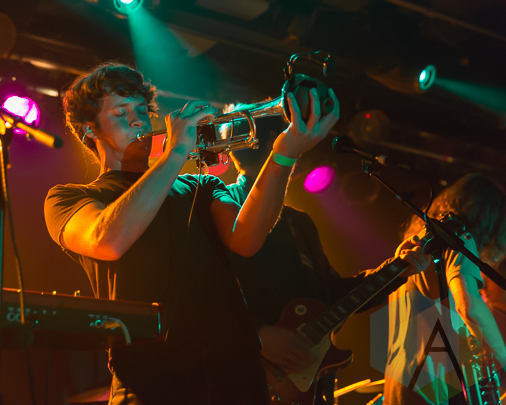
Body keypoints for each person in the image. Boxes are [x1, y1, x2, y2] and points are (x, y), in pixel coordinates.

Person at [43, 61, 341, 404]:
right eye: (121, 112)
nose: (139, 120)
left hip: (238, 376)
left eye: (142, 110)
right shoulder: (69, 198)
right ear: (90, 130)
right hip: (152, 381)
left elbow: (247, 240)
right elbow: (108, 240)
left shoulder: (199, 186)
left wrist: (284, 154)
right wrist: (175, 153)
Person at [220, 114, 433, 405]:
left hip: (307, 387)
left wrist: (398, 268)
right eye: (295, 134)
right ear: (274, 142)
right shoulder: (223, 207)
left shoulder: (299, 223)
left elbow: (331, 296)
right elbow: (202, 294)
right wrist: (258, 334)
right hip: (241, 378)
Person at [383, 173, 506, 405]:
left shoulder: (420, 242)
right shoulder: (459, 239)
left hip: (399, 385)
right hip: (433, 389)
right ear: (493, 221)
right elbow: (469, 308)